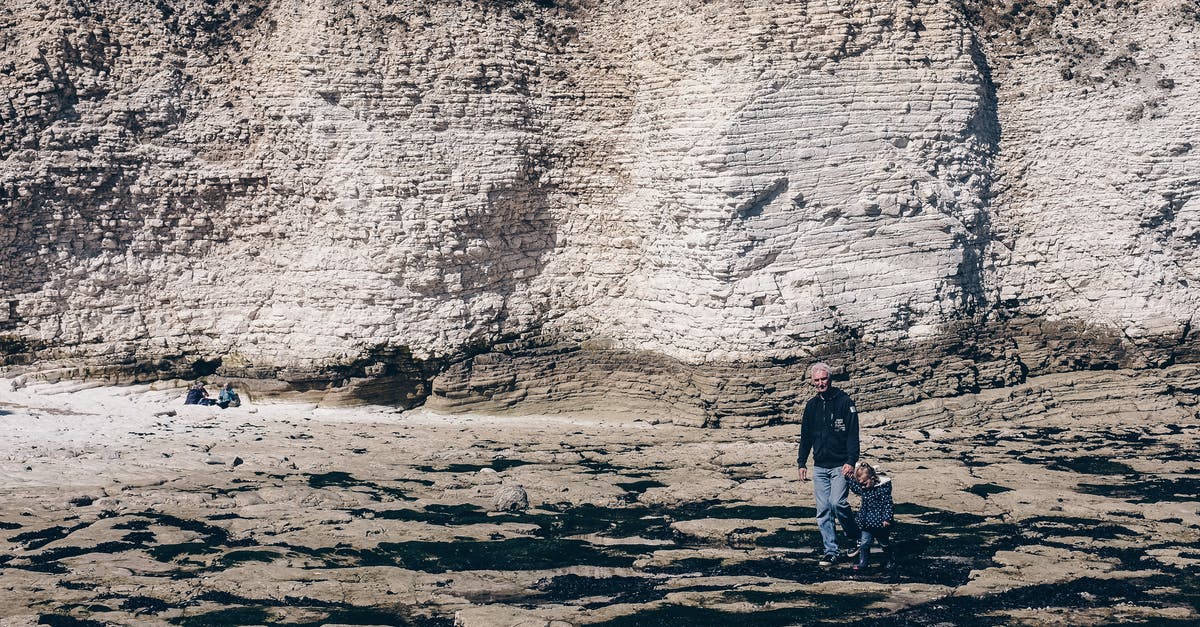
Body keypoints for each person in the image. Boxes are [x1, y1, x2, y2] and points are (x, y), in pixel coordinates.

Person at [796, 362, 861, 566]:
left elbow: (853, 435)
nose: (820, 383)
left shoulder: (844, 402)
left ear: (830, 379)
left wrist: (851, 461)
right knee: (823, 508)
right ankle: (831, 551)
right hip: (820, 466)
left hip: (841, 465)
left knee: (837, 503)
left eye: (823, 379)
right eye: (817, 380)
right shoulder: (811, 406)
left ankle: (854, 537)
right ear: (813, 382)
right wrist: (801, 462)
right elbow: (805, 437)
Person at [847, 461, 895, 571]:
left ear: (872, 478)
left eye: (865, 483)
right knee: (864, 543)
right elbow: (855, 488)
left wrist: (887, 518)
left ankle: (890, 559)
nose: (863, 486)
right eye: (861, 484)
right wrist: (849, 478)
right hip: (866, 522)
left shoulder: (882, 490)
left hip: (880, 523)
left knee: (884, 543)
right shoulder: (863, 488)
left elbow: (888, 504)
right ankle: (863, 563)